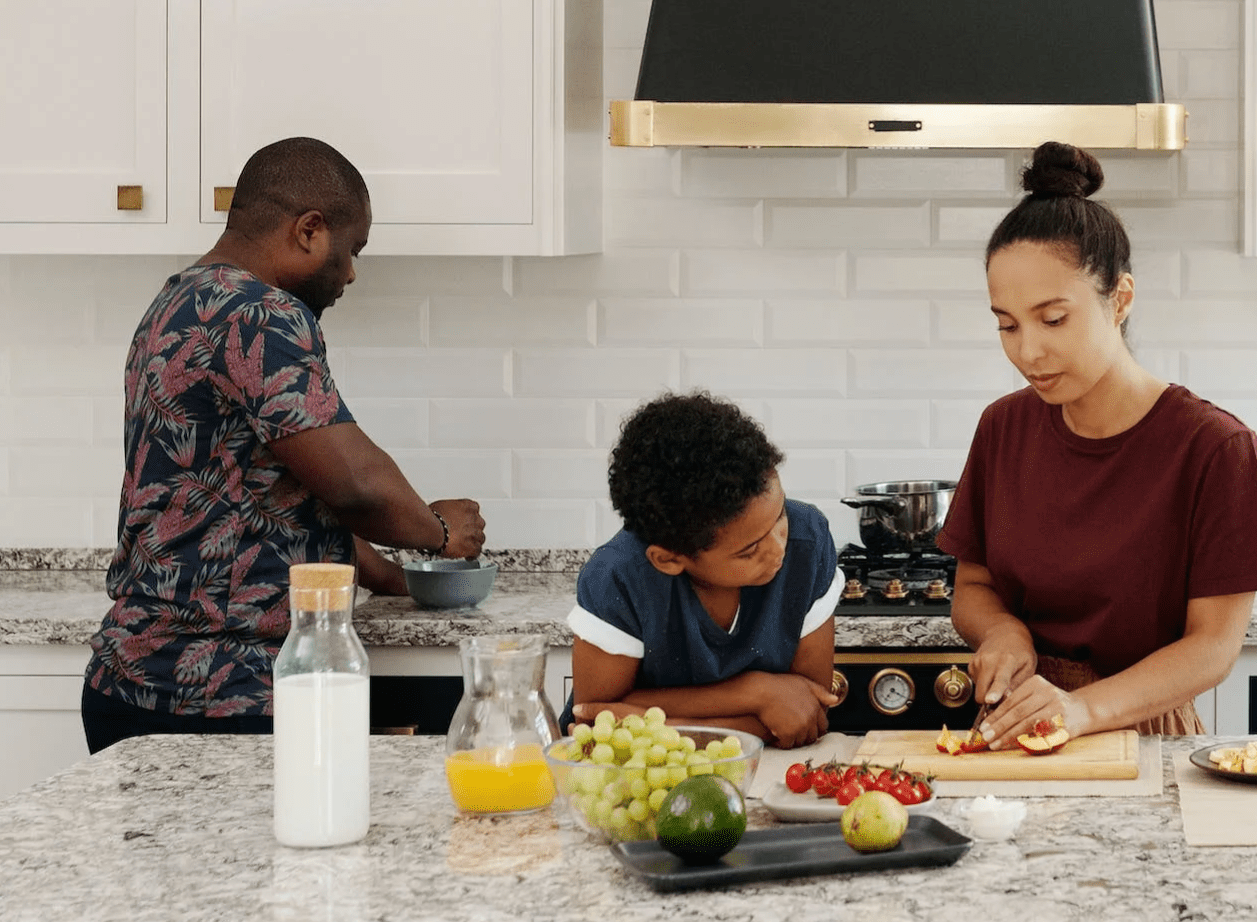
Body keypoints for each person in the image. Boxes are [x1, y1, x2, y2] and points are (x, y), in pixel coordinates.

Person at [83, 137, 486, 753]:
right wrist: (437, 532)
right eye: (353, 250)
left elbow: (274, 489)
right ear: (309, 230)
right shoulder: (260, 314)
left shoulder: (176, 299)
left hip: (136, 683)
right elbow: (354, 484)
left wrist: (396, 579)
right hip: (223, 694)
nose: (351, 271)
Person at [938, 141, 1257, 747]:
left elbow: (1213, 648)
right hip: (1015, 728)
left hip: (1143, 731)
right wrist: (1002, 632)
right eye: (1007, 325)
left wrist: (1083, 709)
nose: (1027, 352)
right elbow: (974, 587)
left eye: (1053, 318)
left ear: (1119, 299)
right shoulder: (1002, 428)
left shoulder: (1216, 449)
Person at [564, 392, 843, 749]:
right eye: (750, 550)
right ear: (669, 560)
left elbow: (805, 713)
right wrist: (755, 693)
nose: (778, 548)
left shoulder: (808, 541)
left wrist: (652, 722)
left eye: (780, 517)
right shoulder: (619, 578)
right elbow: (593, 724)